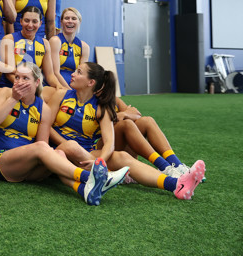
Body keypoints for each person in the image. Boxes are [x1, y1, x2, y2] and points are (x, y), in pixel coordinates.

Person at [49, 62, 206, 200]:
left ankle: (176, 183)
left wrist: (100, 161)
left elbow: (115, 136)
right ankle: (165, 168)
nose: (72, 74)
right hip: (60, 151)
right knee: (73, 145)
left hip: (86, 153)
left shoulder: (102, 106)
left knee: (124, 152)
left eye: (78, 72)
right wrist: (65, 143)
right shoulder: (61, 95)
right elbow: (46, 126)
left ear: (91, 82)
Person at [0, 62, 127, 205]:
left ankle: (84, 190)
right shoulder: (4, 93)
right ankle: (94, 176)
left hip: (26, 167)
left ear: (37, 82)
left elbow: (43, 144)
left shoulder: (43, 109)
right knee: (43, 147)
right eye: (17, 77)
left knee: (59, 154)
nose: (19, 82)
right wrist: (13, 99)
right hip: (1, 160)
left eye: (25, 78)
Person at [114, 98, 194, 181]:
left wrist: (124, 114)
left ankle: (177, 165)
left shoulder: (114, 99)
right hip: (107, 155)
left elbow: (136, 114)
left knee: (147, 121)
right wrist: (125, 114)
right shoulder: (100, 104)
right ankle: (164, 167)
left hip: (120, 149)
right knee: (126, 124)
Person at [0, 6, 62, 89]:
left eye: (35, 21)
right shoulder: (9, 39)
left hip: (34, 89)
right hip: (11, 87)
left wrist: (59, 86)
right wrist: (29, 87)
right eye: (26, 21)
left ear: (40, 23)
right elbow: (9, 74)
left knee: (59, 93)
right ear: (21, 21)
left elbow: (50, 75)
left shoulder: (44, 43)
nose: (30, 25)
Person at [49, 7, 90, 88]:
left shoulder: (84, 47)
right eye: (67, 18)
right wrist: (69, 91)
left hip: (74, 85)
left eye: (74, 18)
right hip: (56, 85)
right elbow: (55, 73)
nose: (70, 21)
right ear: (61, 22)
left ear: (79, 22)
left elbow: (82, 74)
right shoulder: (55, 41)